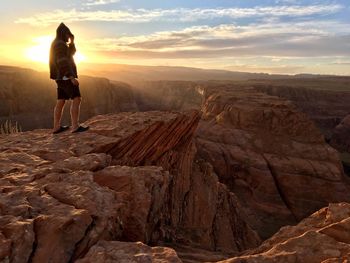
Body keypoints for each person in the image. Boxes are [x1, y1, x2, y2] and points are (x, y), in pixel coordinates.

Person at [49, 22, 89, 134]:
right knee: (77, 98)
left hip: (60, 77)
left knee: (61, 101)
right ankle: (75, 126)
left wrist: (72, 42)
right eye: (68, 35)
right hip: (65, 77)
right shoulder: (60, 44)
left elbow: (71, 54)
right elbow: (62, 61)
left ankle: (56, 127)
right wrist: (71, 77)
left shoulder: (57, 43)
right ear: (63, 33)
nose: (68, 36)